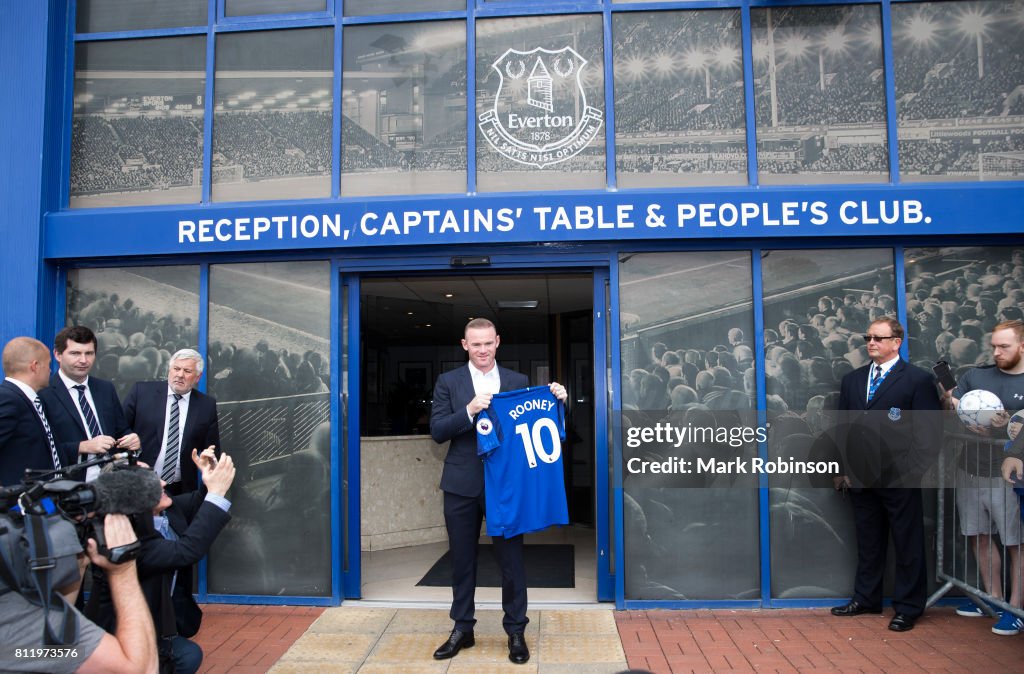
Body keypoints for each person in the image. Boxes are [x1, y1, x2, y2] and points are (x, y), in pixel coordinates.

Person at [429, 318, 567, 665]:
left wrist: (560, 401)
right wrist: (469, 410)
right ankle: (463, 628)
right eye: (476, 344)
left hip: (507, 486)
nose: (483, 350)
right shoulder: (449, 382)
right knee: (462, 561)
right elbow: (437, 431)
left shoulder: (518, 382)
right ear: (464, 345)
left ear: (498, 342)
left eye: (488, 343)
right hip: (462, 485)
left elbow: (540, 420)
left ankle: (516, 630)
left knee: (511, 561)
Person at [830, 317, 942, 632]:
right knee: (868, 541)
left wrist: (910, 472)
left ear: (897, 342)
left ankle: (908, 608)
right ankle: (866, 598)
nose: (871, 343)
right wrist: (841, 469)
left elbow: (929, 434)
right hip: (860, 476)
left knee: (907, 544)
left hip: (899, 478)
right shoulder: (853, 380)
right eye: (868, 337)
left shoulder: (916, 380)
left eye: (879, 338)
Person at [86, 449, 236, 674]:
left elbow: (198, 503)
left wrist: (211, 479)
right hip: (124, 631)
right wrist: (217, 491)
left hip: (165, 622)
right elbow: (187, 550)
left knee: (186, 655)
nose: (164, 482)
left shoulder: (168, 510)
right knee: (186, 657)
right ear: (130, 497)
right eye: (152, 481)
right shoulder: (126, 539)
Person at [0, 513, 159, 674]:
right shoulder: (14, 619)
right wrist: (123, 570)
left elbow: (52, 652)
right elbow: (142, 670)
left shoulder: (14, 647)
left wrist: (79, 565)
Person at [948, 319, 1024, 635]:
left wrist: (1008, 425)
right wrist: (956, 408)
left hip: (1008, 477)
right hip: (971, 468)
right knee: (978, 534)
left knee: (1015, 542)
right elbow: (952, 407)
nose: (996, 351)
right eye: (994, 345)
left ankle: (1016, 607)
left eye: (1004, 346)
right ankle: (991, 598)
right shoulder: (976, 376)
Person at [38, 326, 140, 480]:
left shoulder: (105, 388)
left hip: (111, 481)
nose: (83, 360)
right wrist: (83, 447)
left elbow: (121, 429)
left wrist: (132, 439)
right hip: (68, 485)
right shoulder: (43, 394)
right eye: (75, 353)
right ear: (58, 355)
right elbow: (40, 447)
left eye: (89, 353)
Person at [124, 349, 220, 494]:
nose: (180, 375)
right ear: (169, 370)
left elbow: (212, 449)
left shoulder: (206, 405)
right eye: (176, 369)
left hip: (180, 489)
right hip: (138, 483)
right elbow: (120, 430)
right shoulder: (142, 392)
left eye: (187, 371)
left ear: (198, 377)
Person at [0, 337, 63, 485]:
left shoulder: (32, 400)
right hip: (17, 502)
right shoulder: (7, 399)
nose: (50, 370)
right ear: (34, 366)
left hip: (41, 499)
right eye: (48, 364)